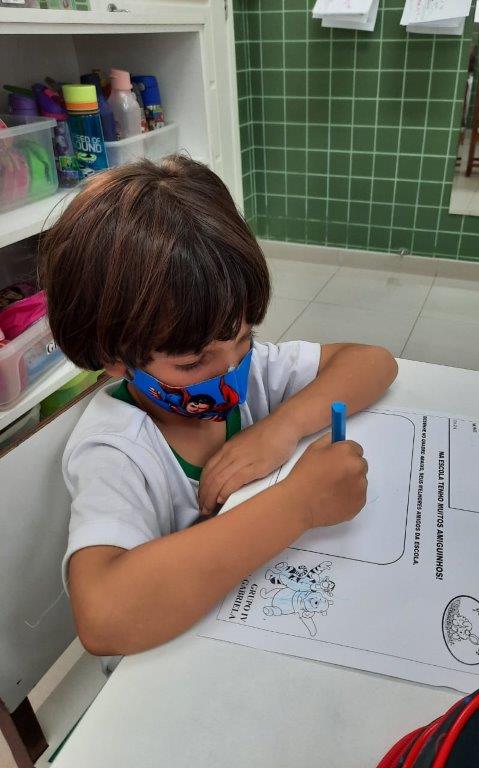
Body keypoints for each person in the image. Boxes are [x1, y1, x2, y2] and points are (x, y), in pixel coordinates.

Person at [39, 155, 398, 671]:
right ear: (115, 358)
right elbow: (103, 618)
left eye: (245, 337)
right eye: (192, 362)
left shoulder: (249, 371)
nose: (231, 370)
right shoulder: (114, 449)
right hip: (169, 670)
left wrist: (281, 427)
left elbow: (373, 362)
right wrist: (298, 505)